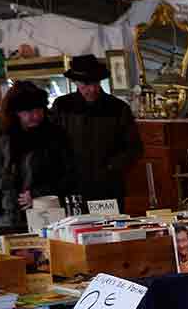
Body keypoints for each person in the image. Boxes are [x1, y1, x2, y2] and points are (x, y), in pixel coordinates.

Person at [0, 81, 77, 226]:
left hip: (45, 214)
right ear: (15, 113)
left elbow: (70, 176)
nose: (35, 116)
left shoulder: (56, 136)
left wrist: (38, 194)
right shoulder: (1, 137)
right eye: (28, 112)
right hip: (6, 216)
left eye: (39, 110)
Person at [53, 54, 143, 208]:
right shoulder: (62, 106)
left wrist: (110, 167)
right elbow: (53, 145)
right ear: (75, 82)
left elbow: (134, 148)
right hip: (71, 188)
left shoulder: (118, 108)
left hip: (108, 188)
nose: (92, 89)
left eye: (96, 83)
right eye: (86, 85)